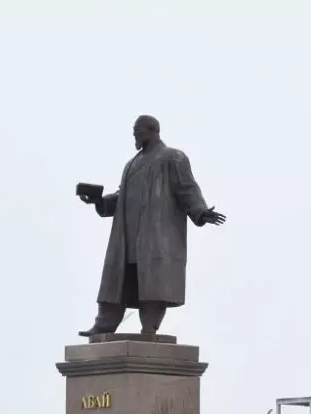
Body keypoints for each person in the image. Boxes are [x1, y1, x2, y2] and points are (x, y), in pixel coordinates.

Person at [78, 115, 226, 337]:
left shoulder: (172, 158)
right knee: (116, 280)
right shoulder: (131, 164)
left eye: (137, 130)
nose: (135, 135)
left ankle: (150, 327)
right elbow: (122, 197)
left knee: (153, 283)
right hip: (127, 237)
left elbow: (187, 188)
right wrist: (100, 201)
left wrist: (201, 211)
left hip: (156, 235)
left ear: (152, 130)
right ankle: (104, 324)